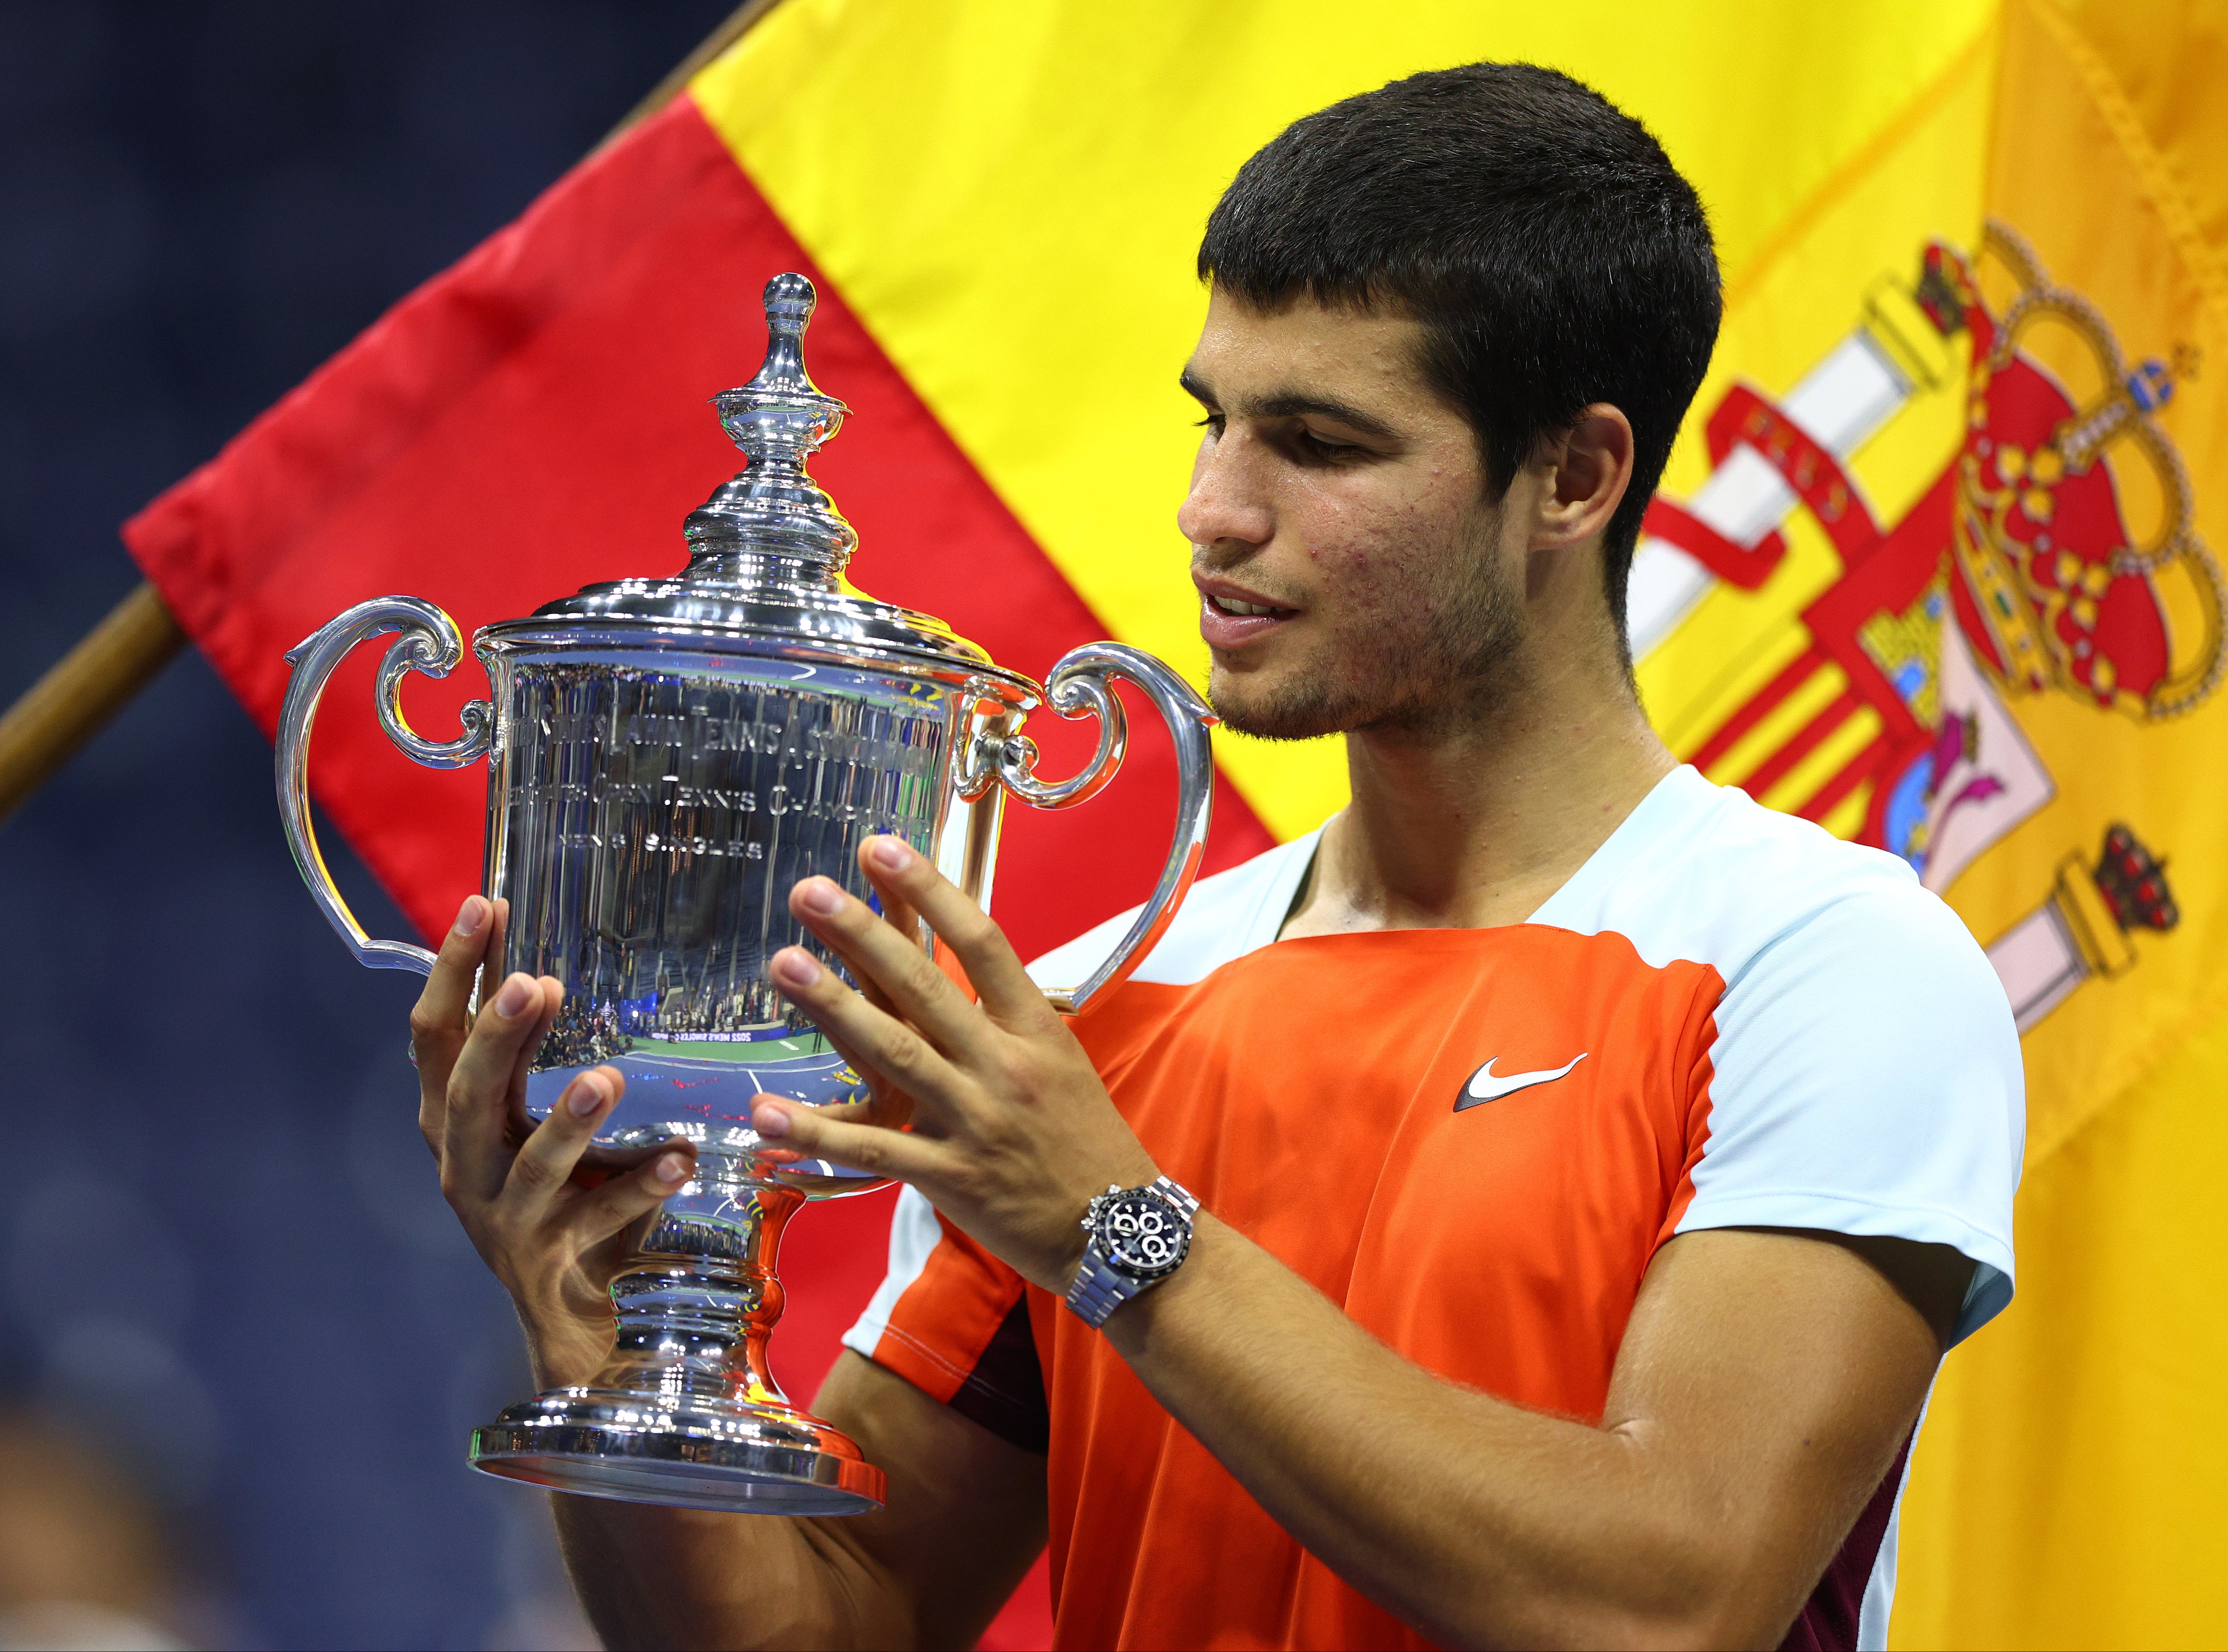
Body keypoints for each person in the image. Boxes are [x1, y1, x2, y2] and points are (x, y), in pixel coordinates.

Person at [412, 64, 2021, 1652]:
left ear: (1572, 478)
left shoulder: (1828, 965)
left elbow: (1667, 1599)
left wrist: (1120, 1231)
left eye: (1317, 445)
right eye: (1214, 421)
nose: (1210, 511)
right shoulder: (1097, 1008)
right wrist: (610, 1353)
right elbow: (830, 1632)